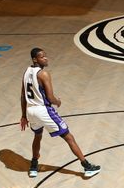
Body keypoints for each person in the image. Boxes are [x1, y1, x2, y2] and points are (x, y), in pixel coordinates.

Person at [20, 47, 101, 178]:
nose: (45, 58)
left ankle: (34, 166)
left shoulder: (26, 72)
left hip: (30, 111)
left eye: (45, 56)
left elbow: (23, 96)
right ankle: (87, 167)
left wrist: (24, 115)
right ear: (35, 59)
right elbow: (51, 98)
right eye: (42, 56)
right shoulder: (43, 74)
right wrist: (58, 101)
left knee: (37, 136)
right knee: (69, 137)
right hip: (43, 110)